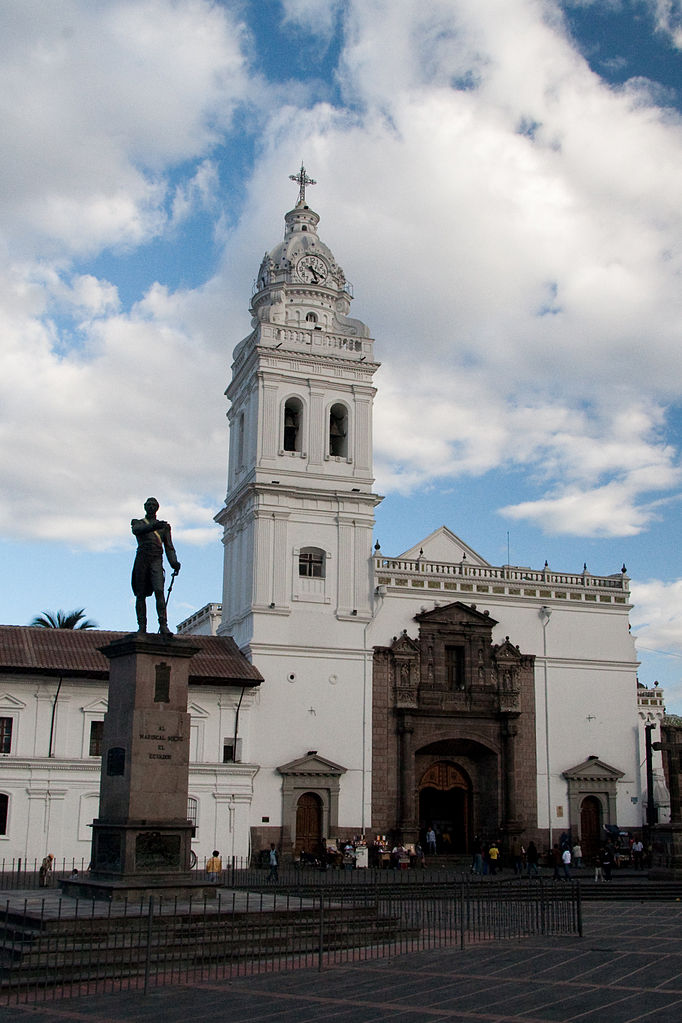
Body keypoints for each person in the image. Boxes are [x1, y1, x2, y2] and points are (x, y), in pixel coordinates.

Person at [131, 498, 181, 635]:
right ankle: (142, 626)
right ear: (144, 506)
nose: (151, 507)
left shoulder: (164, 528)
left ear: (157, 508)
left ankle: (163, 625)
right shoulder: (138, 522)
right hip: (142, 559)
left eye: (153, 505)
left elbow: (169, 547)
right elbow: (137, 530)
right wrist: (155, 526)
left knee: (159, 591)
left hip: (156, 559)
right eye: (149, 504)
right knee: (140, 594)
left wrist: (174, 562)